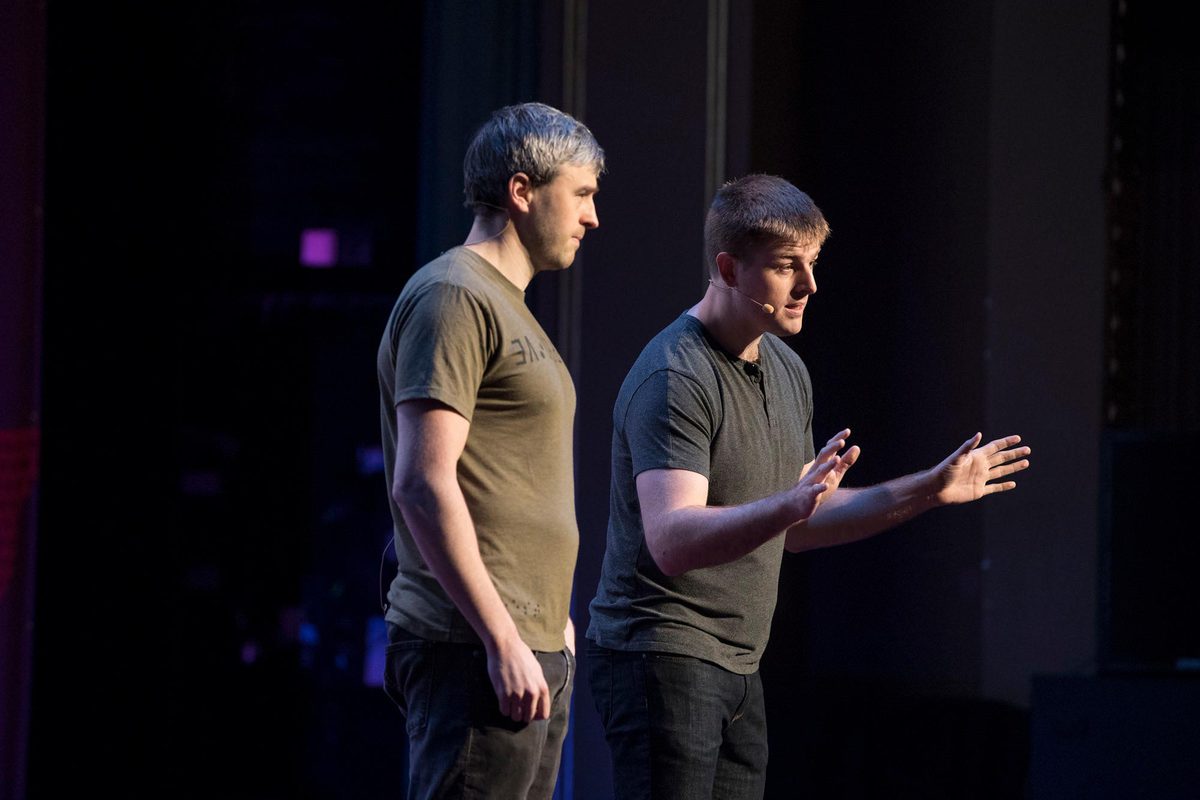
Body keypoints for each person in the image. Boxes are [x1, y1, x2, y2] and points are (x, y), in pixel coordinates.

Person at [585, 174, 1031, 800]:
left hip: (740, 661)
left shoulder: (786, 368)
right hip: (662, 648)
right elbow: (672, 538)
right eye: (787, 266)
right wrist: (787, 505)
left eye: (813, 263)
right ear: (729, 269)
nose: (809, 285)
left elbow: (798, 523)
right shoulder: (675, 375)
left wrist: (930, 489)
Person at [377, 102, 603, 799]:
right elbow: (422, 483)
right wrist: (501, 637)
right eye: (583, 192)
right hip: (472, 644)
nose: (592, 217)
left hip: (530, 643)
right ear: (522, 190)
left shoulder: (506, 306)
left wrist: (549, 622)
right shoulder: (454, 295)